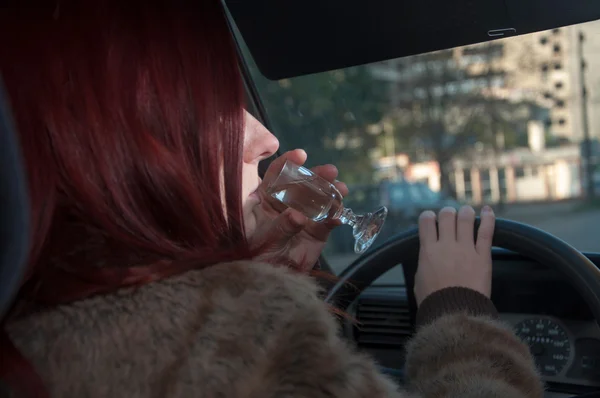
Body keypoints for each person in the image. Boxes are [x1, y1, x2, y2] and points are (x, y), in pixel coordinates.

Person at [0, 1, 543, 397]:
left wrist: (255, 272)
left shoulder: (37, 331)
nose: (265, 140)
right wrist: (458, 312)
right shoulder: (233, 346)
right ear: (111, 141)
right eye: (211, 106)